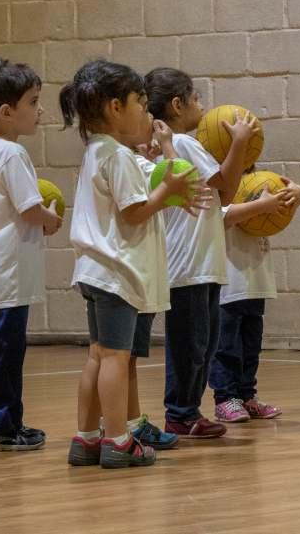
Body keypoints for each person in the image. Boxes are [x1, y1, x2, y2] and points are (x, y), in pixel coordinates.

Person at [62, 60, 202, 469]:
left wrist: (165, 169)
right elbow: (135, 213)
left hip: (94, 271)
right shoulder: (116, 157)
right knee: (116, 358)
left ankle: (86, 438)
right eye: (140, 102)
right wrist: (170, 188)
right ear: (114, 108)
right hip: (116, 273)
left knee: (98, 355)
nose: (146, 110)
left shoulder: (98, 151)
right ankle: (119, 440)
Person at [145, 67, 259, 438]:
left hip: (197, 263)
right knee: (191, 345)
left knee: (201, 344)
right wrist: (239, 141)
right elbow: (226, 191)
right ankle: (180, 412)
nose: (202, 106)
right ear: (177, 105)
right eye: (196, 98)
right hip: (189, 264)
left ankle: (187, 412)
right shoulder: (185, 143)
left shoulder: (176, 145)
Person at [0, 57, 62, 452]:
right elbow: (30, 209)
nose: (40, 110)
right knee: (4, 354)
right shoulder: (11, 154)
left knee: (5, 352)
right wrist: (51, 218)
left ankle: (9, 424)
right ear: (7, 112)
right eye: (33, 101)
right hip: (4, 273)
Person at [209, 176, 300, 422]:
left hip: (256, 277)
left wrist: (297, 195)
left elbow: (283, 204)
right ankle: (225, 398)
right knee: (226, 347)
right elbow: (222, 217)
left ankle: (246, 397)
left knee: (250, 347)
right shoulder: (217, 185)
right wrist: (262, 206)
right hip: (228, 280)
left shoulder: (260, 179)